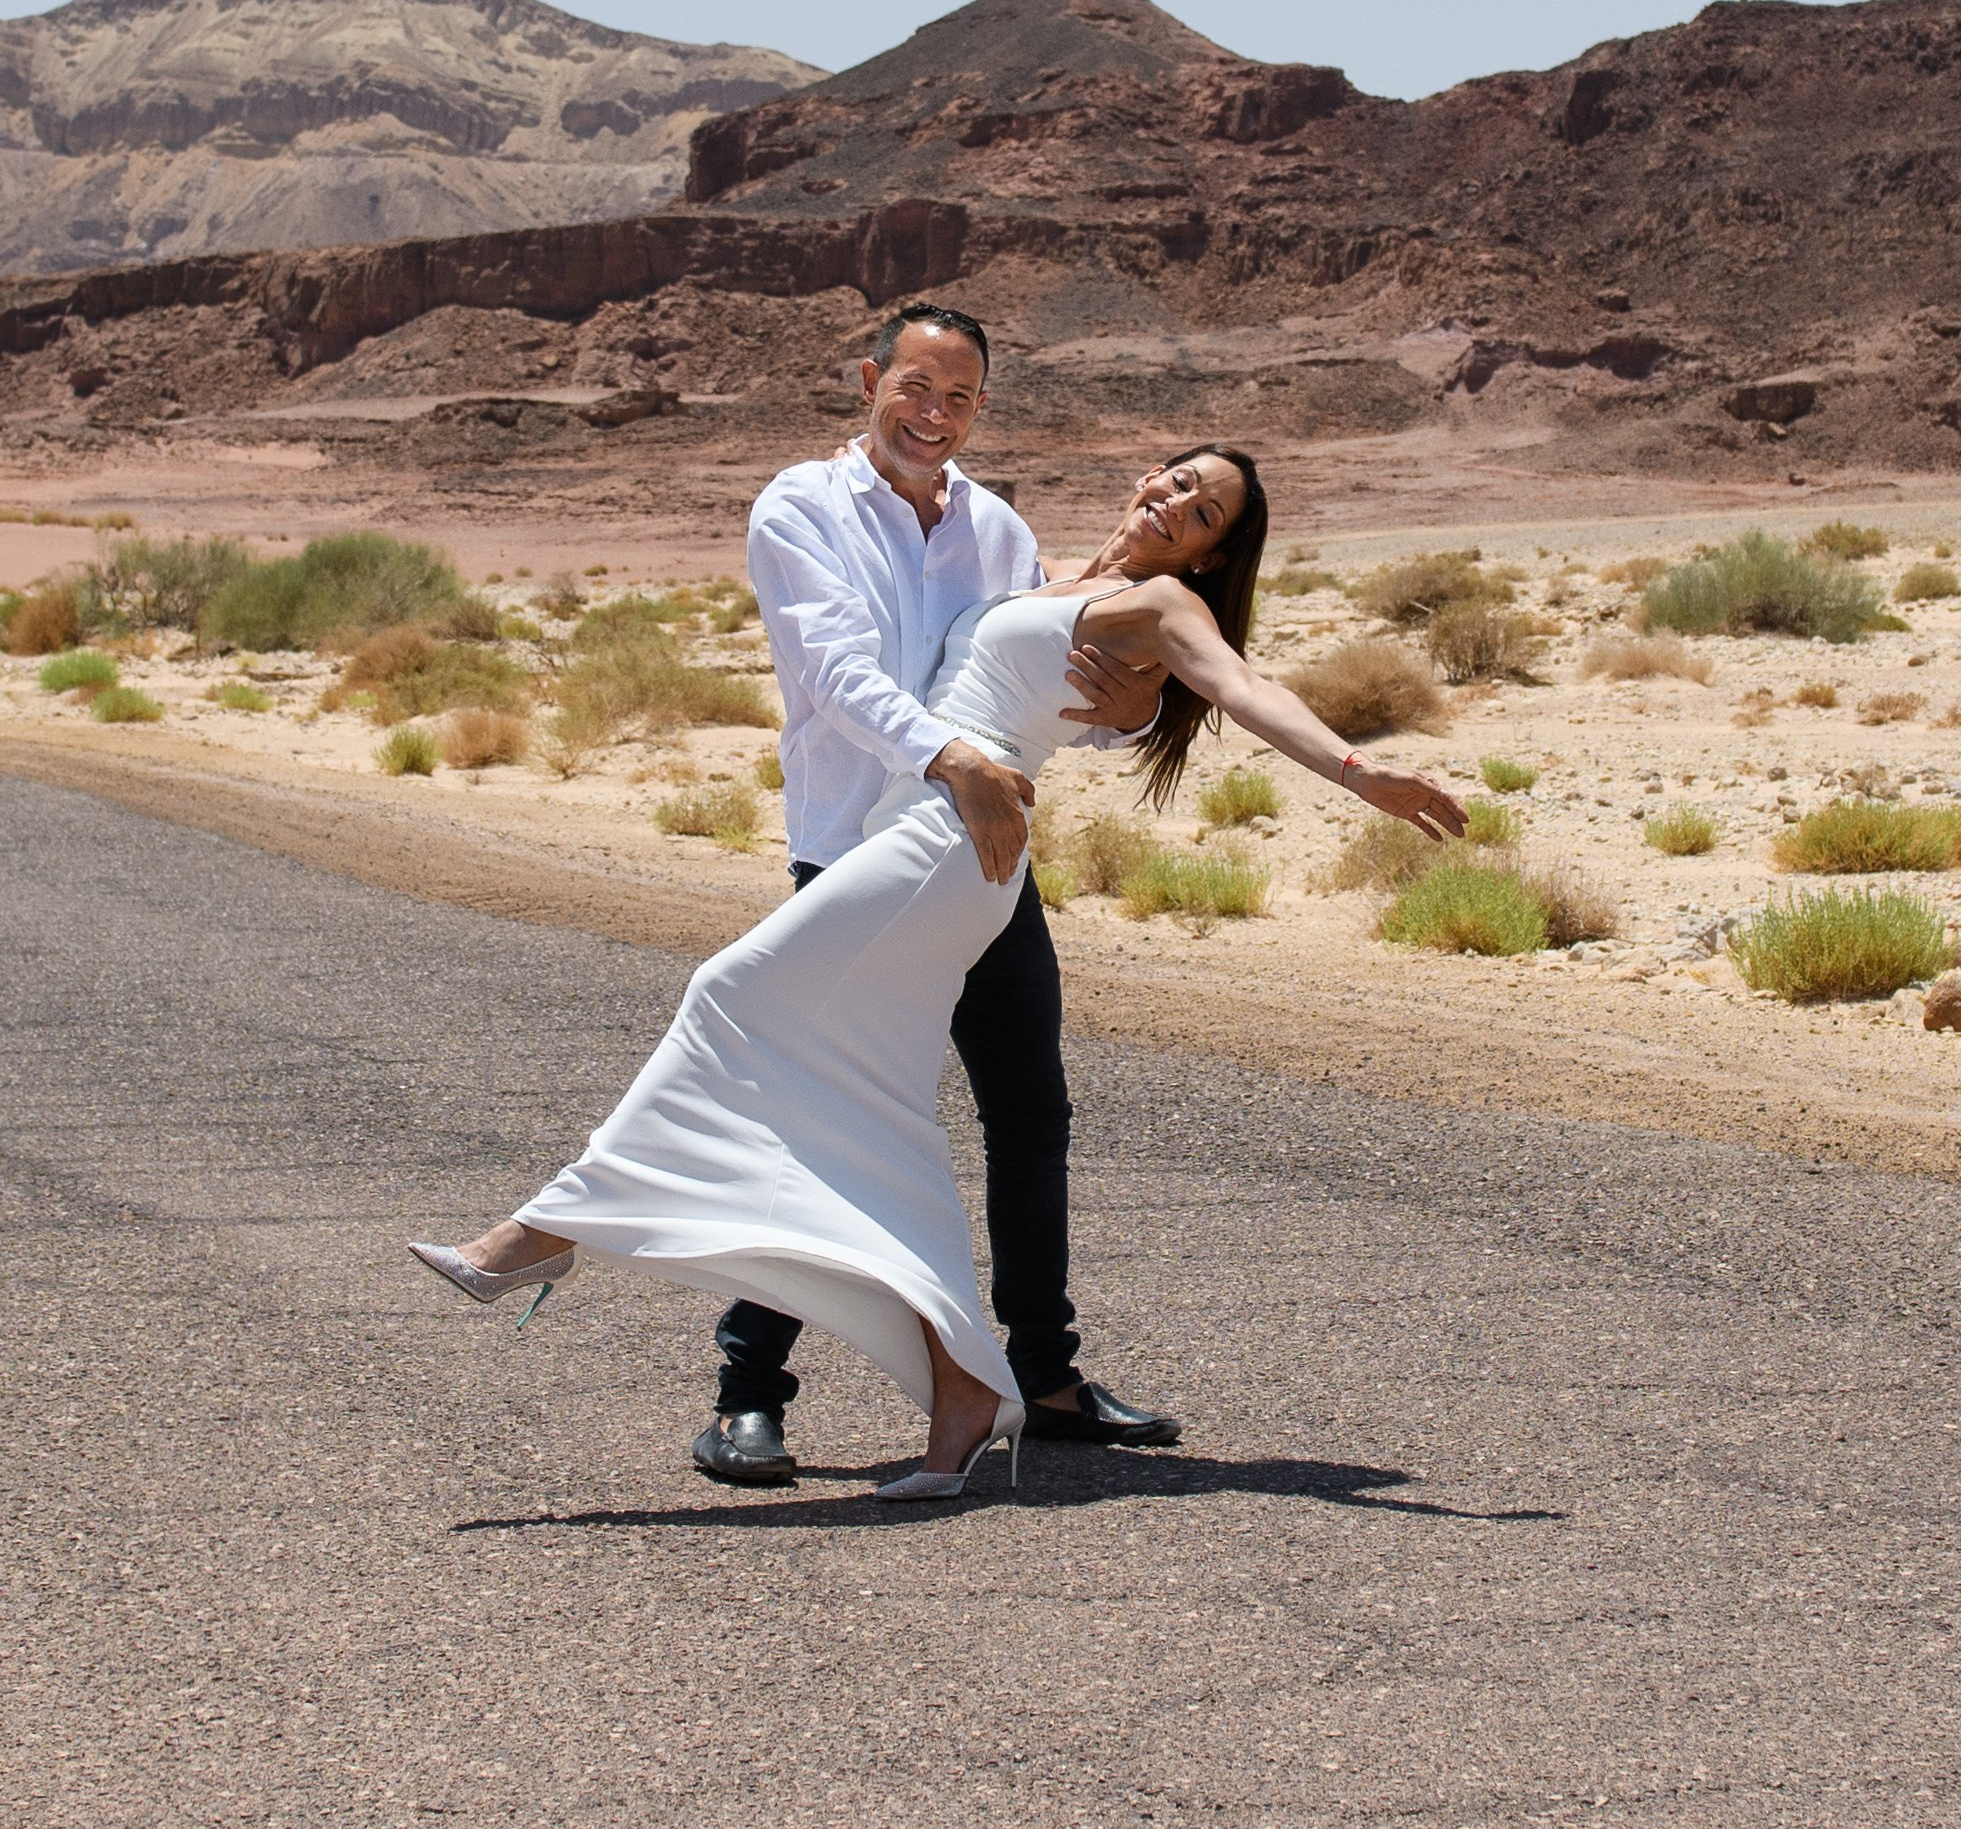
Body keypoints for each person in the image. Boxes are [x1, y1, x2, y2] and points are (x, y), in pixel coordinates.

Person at [411, 441, 1467, 1501]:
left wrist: (1357, 768)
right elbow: (964, 674)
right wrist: (1125, 709)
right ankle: (958, 1389)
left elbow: (1236, 683)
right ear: (1145, 471)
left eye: (1205, 512)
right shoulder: (1036, 570)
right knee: (864, 1097)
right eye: (1178, 479)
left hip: (951, 850)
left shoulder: (1158, 606)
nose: (1177, 503)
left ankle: (542, 1233)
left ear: (1209, 555)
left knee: (734, 998)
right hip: (894, 830)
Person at [708, 301, 1174, 1484]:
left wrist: (1129, 715)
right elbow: (836, 671)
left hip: (981, 864)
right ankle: (747, 1394)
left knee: (1029, 1115)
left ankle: (1047, 1378)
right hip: (854, 857)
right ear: (870, 379)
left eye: (958, 397)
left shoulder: (997, 530)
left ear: (981, 407)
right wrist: (949, 757)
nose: (933, 414)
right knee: (828, 1126)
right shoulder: (800, 507)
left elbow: (1036, 681)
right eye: (914, 386)